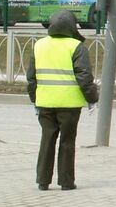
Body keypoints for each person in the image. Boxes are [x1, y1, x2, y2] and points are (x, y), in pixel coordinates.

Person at [26, 10, 99, 190]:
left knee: (47, 140)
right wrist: (92, 99)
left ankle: (42, 181)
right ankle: (66, 182)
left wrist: (35, 99)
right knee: (67, 142)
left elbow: (31, 78)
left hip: (45, 102)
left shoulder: (39, 45)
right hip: (69, 105)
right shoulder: (77, 47)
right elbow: (84, 77)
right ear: (72, 27)